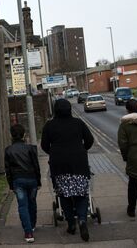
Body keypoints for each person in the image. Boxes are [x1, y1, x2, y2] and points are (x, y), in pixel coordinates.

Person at [41, 99, 94, 242]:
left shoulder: (49, 126)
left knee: (63, 195)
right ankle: (82, 220)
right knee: (81, 194)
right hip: (79, 163)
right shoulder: (78, 123)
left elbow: (44, 145)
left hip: (59, 164)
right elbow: (89, 140)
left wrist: (54, 152)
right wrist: (82, 150)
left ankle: (71, 224)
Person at [5, 124, 41, 243]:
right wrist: (39, 181)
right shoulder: (31, 148)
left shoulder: (9, 150)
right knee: (32, 202)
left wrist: (11, 185)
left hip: (18, 180)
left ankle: (28, 232)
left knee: (22, 206)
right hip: (32, 179)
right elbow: (36, 166)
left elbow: (8, 170)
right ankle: (32, 224)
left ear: (11, 135)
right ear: (24, 135)